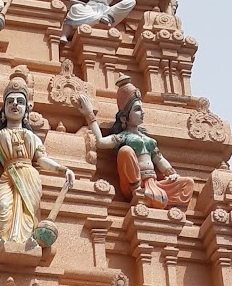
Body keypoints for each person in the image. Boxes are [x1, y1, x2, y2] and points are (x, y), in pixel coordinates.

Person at [0, 71, 76, 250]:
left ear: (26, 109)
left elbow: (42, 160)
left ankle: (24, 242)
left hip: (28, 175)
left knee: (27, 212)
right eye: (10, 102)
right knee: (3, 206)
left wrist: (63, 170)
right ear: (4, 109)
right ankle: (6, 238)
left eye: (20, 102)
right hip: (8, 175)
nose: (15, 105)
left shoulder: (30, 136)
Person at [78, 79, 195, 209]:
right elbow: (100, 142)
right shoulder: (124, 137)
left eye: (142, 109)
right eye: (137, 109)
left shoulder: (148, 139)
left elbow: (159, 159)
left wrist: (171, 174)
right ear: (124, 117)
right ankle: (138, 192)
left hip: (154, 183)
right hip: (133, 185)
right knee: (126, 151)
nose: (142, 112)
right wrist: (89, 114)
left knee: (188, 183)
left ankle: (151, 195)